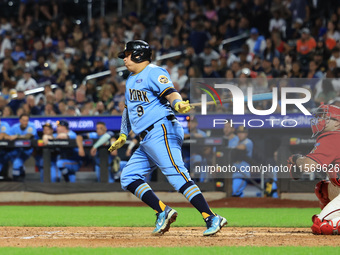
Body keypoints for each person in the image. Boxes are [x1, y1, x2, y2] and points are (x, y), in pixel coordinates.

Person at [108, 40, 227, 236]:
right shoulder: (131, 78)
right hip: (146, 138)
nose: (125, 58)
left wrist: (178, 104)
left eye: (128, 54)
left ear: (138, 55)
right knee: (128, 177)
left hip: (162, 130)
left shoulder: (154, 71)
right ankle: (162, 210)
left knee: (177, 176)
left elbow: (171, 92)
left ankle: (211, 217)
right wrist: (123, 133)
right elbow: (128, 110)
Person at [287, 104, 340, 235]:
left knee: (321, 225)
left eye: (326, 117)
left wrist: (295, 158)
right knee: (324, 188)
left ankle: (333, 222)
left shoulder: (333, 136)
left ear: (338, 123)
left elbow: (307, 166)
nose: (320, 120)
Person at [8, 113, 38, 181]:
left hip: (28, 150)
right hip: (16, 150)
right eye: (24, 120)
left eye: (27, 120)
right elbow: (8, 136)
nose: (25, 122)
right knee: (12, 159)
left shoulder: (31, 126)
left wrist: (17, 136)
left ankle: (16, 184)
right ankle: (21, 170)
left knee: (16, 163)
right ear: (20, 120)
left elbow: (28, 136)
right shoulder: (15, 127)